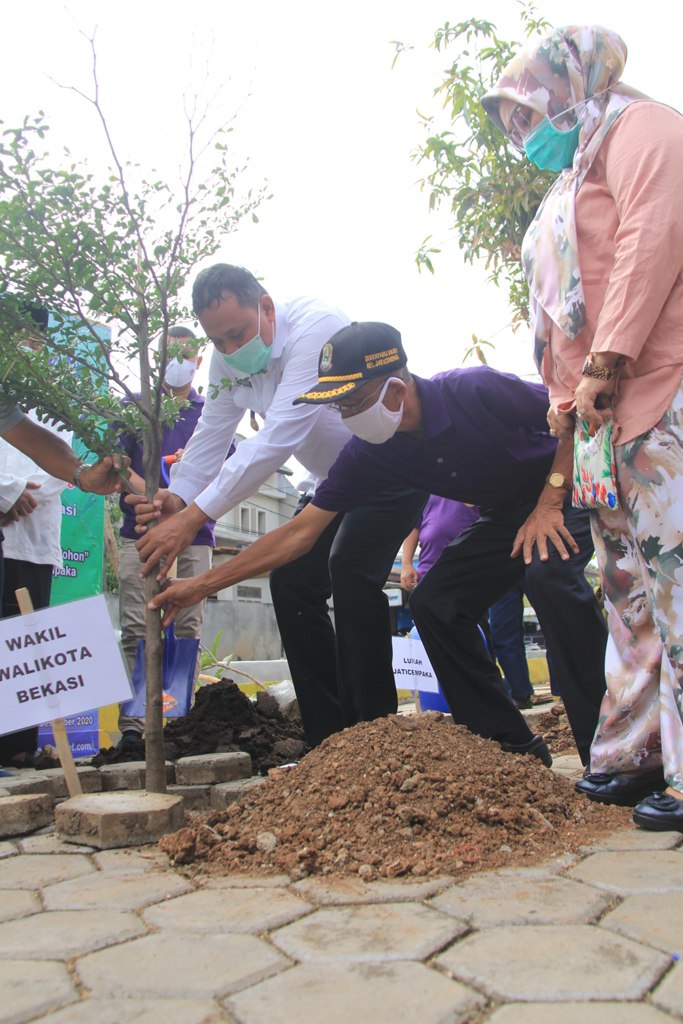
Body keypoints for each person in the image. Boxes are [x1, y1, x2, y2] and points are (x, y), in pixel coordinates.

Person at [149, 321, 608, 767]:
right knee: (435, 602)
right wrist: (201, 584)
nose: (347, 417)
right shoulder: (373, 451)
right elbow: (300, 533)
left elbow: (571, 417)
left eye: (353, 402)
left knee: (548, 574)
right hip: (506, 518)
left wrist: (550, 502)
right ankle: (511, 748)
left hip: (570, 493)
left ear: (395, 388)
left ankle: (610, 752)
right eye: (339, 408)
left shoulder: (472, 390)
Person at [482, 25, 683, 830]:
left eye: (530, 112)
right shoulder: (573, 169)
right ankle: (634, 757)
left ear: (571, 82)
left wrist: (606, 360)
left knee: (676, 587)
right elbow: (556, 303)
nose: (524, 135)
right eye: (510, 126)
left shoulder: (645, 130)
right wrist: (568, 397)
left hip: (655, 390)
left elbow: (650, 241)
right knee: (628, 595)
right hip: (599, 417)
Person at [130, 265, 427, 748]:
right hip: (336, 484)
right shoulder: (228, 364)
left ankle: (374, 733)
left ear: (266, 307)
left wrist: (194, 517)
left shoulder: (317, 328)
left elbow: (275, 440)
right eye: (218, 341)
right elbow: (211, 436)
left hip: (389, 466)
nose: (228, 350)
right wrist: (178, 496)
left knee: (350, 571)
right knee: (292, 582)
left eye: (236, 334)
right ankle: (329, 738)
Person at [0, 392, 122, 775]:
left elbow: (53, 457)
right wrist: (6, 490)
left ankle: (17, 748)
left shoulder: (44, 402)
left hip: (34, 537)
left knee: (22, 646)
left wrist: (20, 494)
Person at [115, 326, 215, 749]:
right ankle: (134, 731)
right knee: (137, 628)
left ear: (199, 359)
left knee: (186, 627)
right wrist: (152, 496)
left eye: (185, 353)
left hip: (194, 533)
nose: (177, 360)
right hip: (139, 532)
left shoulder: (211, 412)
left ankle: (179, 724)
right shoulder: (132, 407)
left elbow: (223, 473)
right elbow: (115, 464)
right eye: (169, 353)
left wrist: (179, 506)